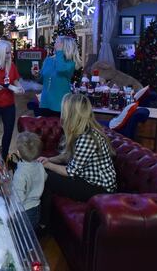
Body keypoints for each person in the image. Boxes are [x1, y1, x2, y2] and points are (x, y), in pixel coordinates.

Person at [39, 94, 116, 224]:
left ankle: (42, 224)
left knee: (48, 178)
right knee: (46, 172)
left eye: (64, 111)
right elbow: (67, 156)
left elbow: (71, 171)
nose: (61, 114)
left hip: (100, 189)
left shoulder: (87, 137)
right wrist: (49, 160)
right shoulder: (81, 131)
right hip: (87, 180)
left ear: (72, 114)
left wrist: (47, 165)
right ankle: (43, 218)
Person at [33, 36, 82, 118]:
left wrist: (59, 52)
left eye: (58, 42)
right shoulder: (48, 60)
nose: (55, 43)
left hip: (61, 104)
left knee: (60, 130)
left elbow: (60, 69)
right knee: (45, 129)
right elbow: (42, 80)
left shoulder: (70, 63)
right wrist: (36, 75)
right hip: (45, 102)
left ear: (65, 46)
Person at [12, 132, 47, 227]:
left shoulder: (20, 173)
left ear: (18, 153)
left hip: (24, 211)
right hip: (36, 207)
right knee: (32, 232)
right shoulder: (40, 165)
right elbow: (45, 177)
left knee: (22, 236)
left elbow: (19, 198)